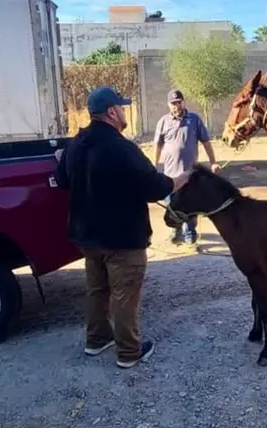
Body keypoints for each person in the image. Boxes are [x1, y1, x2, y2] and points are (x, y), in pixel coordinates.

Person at [54, 86, 189, 369]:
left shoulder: (75, 145)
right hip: (122, 240)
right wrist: (180, 179)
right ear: (112, 112)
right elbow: (155, 188)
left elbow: (62, 181)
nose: (125, 111)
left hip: (87, 237)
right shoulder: (122, 148)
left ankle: (97, 340)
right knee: (124, 296)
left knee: (97, 291)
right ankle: (129, 352)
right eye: (122, 107)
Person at [153, 89, 221, 245]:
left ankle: (190, 233)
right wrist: (154, 165)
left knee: (190, 204)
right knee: (171, 205)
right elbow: (157, 145)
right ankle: (175, 231)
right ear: (168, 105)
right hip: (170, 174)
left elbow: (206, 142)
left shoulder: (194, 119)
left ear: (183, 102)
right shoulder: (163, 122)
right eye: (173, 103)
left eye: (179, 102)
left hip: (189, 173)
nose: (176, 106)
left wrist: (213, 162)